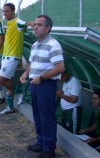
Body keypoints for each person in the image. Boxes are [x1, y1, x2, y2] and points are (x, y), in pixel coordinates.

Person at [20, 15, 65, 158]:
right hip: (34, 84)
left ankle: (49, 149)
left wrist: (42, 77)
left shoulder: (53, 45)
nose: (35, 27)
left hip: (46, 85)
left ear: (48, 28)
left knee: (47, 117)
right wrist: (26, 74)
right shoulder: (35, 45)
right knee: (38, 116)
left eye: (39, 25)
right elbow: (32, 64)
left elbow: (60, 68)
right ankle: (40, 143)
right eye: (35, 24)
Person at [0, 3, 33, 114]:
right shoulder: (9, 23)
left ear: (13, 11)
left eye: (7, 11)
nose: (5, 14)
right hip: (6, 56)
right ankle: (10, 107)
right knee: (8, 82)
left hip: (12, 57)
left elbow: (26, 23)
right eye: (4, 11)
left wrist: (34, 24)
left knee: (1, 80)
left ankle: (19, 90)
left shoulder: (17, 21)